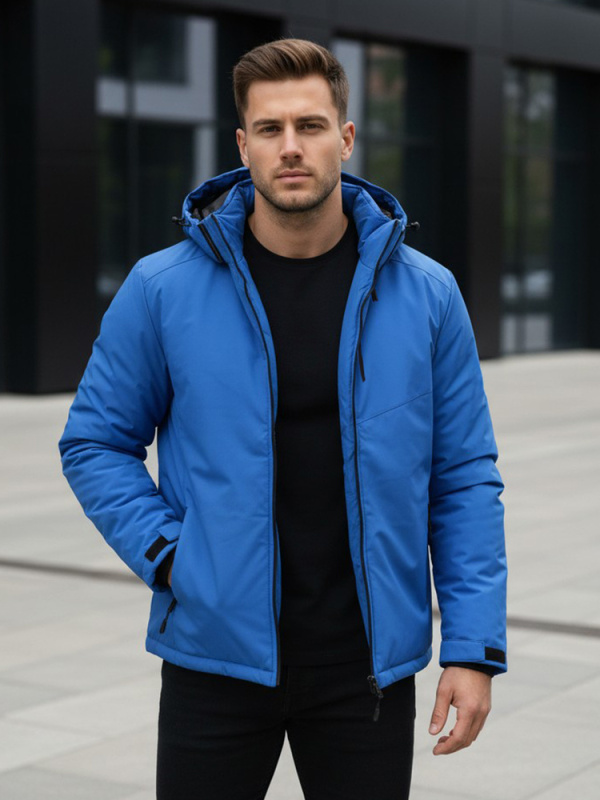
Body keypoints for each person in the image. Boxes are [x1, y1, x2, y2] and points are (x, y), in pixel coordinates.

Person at [59, 38, 507, 800]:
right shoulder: (162, 289)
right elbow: (95, 442)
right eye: (269, 129)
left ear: (347, 137)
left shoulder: (428, 296)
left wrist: (472, 647)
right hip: (215, 661)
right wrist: (171, 557)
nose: (290, 147)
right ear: (243, 145)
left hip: (365, 668)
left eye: (310, 125)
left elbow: (463, 477)